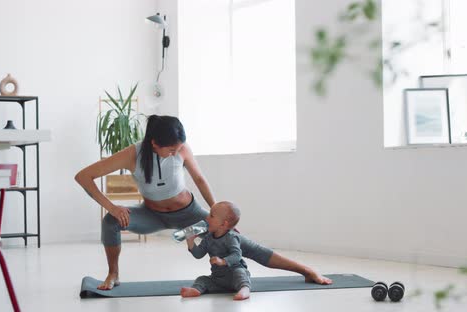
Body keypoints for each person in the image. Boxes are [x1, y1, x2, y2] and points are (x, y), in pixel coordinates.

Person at [75, 115, 332, 290]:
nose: (177, 152)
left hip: (188, 220)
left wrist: (216, 214)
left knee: (239, 242)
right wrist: (112, 207)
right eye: (171, 150)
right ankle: (114, 274)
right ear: (154, 143)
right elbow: (84, 176)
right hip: (152, 217)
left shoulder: (182, 148)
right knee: (110, 222)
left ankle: (305, 270)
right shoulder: (133, 154)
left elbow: (199, 178)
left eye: (178, 148)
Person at [180, 201, 251, 300]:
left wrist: (223, 261)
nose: (207, 218)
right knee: (202, 279)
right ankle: (196, 289)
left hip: (234, 275)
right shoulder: (208, 238)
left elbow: (237, 255)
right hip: (218, 279)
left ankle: (244, 289)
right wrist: (191, 242)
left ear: (223, 224)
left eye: (211, 216)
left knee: (240, 273)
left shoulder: (231, 237)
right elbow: (199, 254)